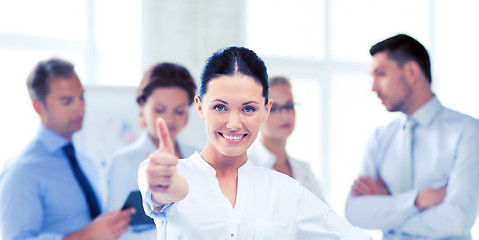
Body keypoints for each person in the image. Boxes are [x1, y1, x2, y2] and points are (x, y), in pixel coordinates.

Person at [138, 46, 371, 239]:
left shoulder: (287, 191)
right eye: (220, 107)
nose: (234, 123)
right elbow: (170, 192)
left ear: (265, 110)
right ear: (200, 106)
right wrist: (166, 183)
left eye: (248, 109)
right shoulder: (165, 172)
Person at [345, 34, 479, 239]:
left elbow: (458, 219)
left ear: (411, 71)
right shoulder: (380, 138)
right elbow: (354, 212)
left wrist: (388, 207)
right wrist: (416, 200)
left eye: (381, 74)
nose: (373, 88)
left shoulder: (468, 131)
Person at [0, 58, 135, 240]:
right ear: (39, 107)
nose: (80, 109)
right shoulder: (22, 170)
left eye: (81, 97)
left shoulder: (84, 162)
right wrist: (82, 237)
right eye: (66, 101)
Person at [107, 62, 200, 239]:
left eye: (179, 111)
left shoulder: (200, 156)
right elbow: (115, 233)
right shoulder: (123, 162)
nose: (169, 120)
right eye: (160, 110)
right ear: (142, 104)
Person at [247, 75, 324, 200]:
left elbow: (325, 217)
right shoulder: (244, 168)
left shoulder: (304, 170)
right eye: (273, 108)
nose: (285, 115)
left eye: (289, 106)